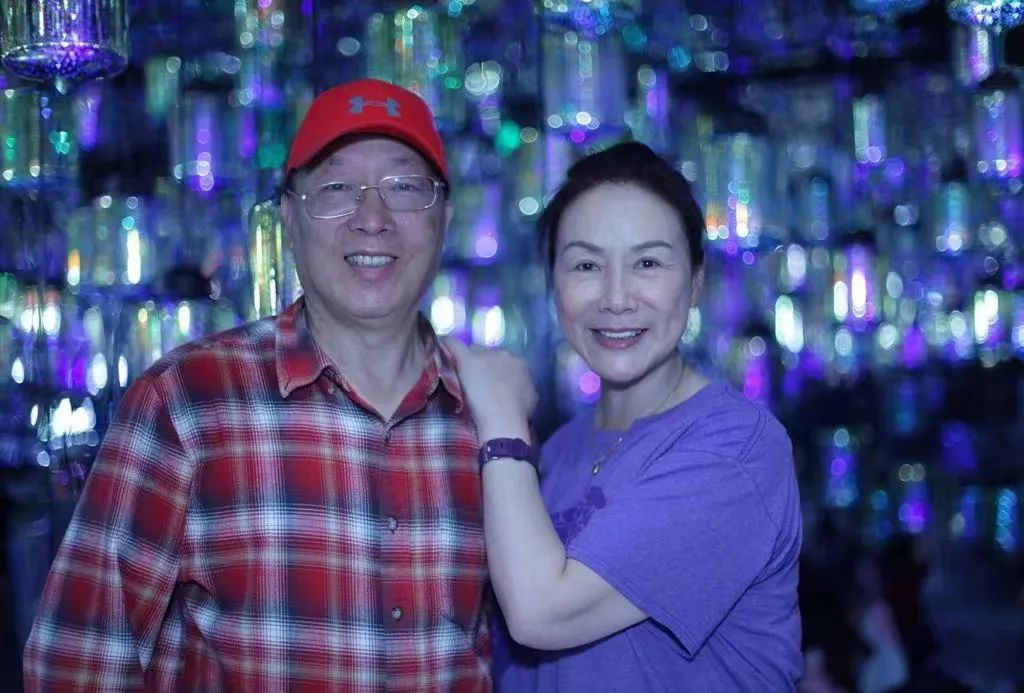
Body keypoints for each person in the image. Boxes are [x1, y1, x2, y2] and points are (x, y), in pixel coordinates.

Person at [23, 79, 493, 690]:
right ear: (289, 220)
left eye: (405, 187)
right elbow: (76, 660)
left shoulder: (490, 413)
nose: (372, 220)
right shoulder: (188, 401)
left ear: (445, 219)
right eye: (336, 189)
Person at [446, 141, 803, 690]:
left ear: (696, 282)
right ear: (553, 284)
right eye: (587, 264)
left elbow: (544, 612)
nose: (616, 298)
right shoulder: (558, 451)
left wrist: (500, 418)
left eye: (648, 263)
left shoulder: (736, 449)